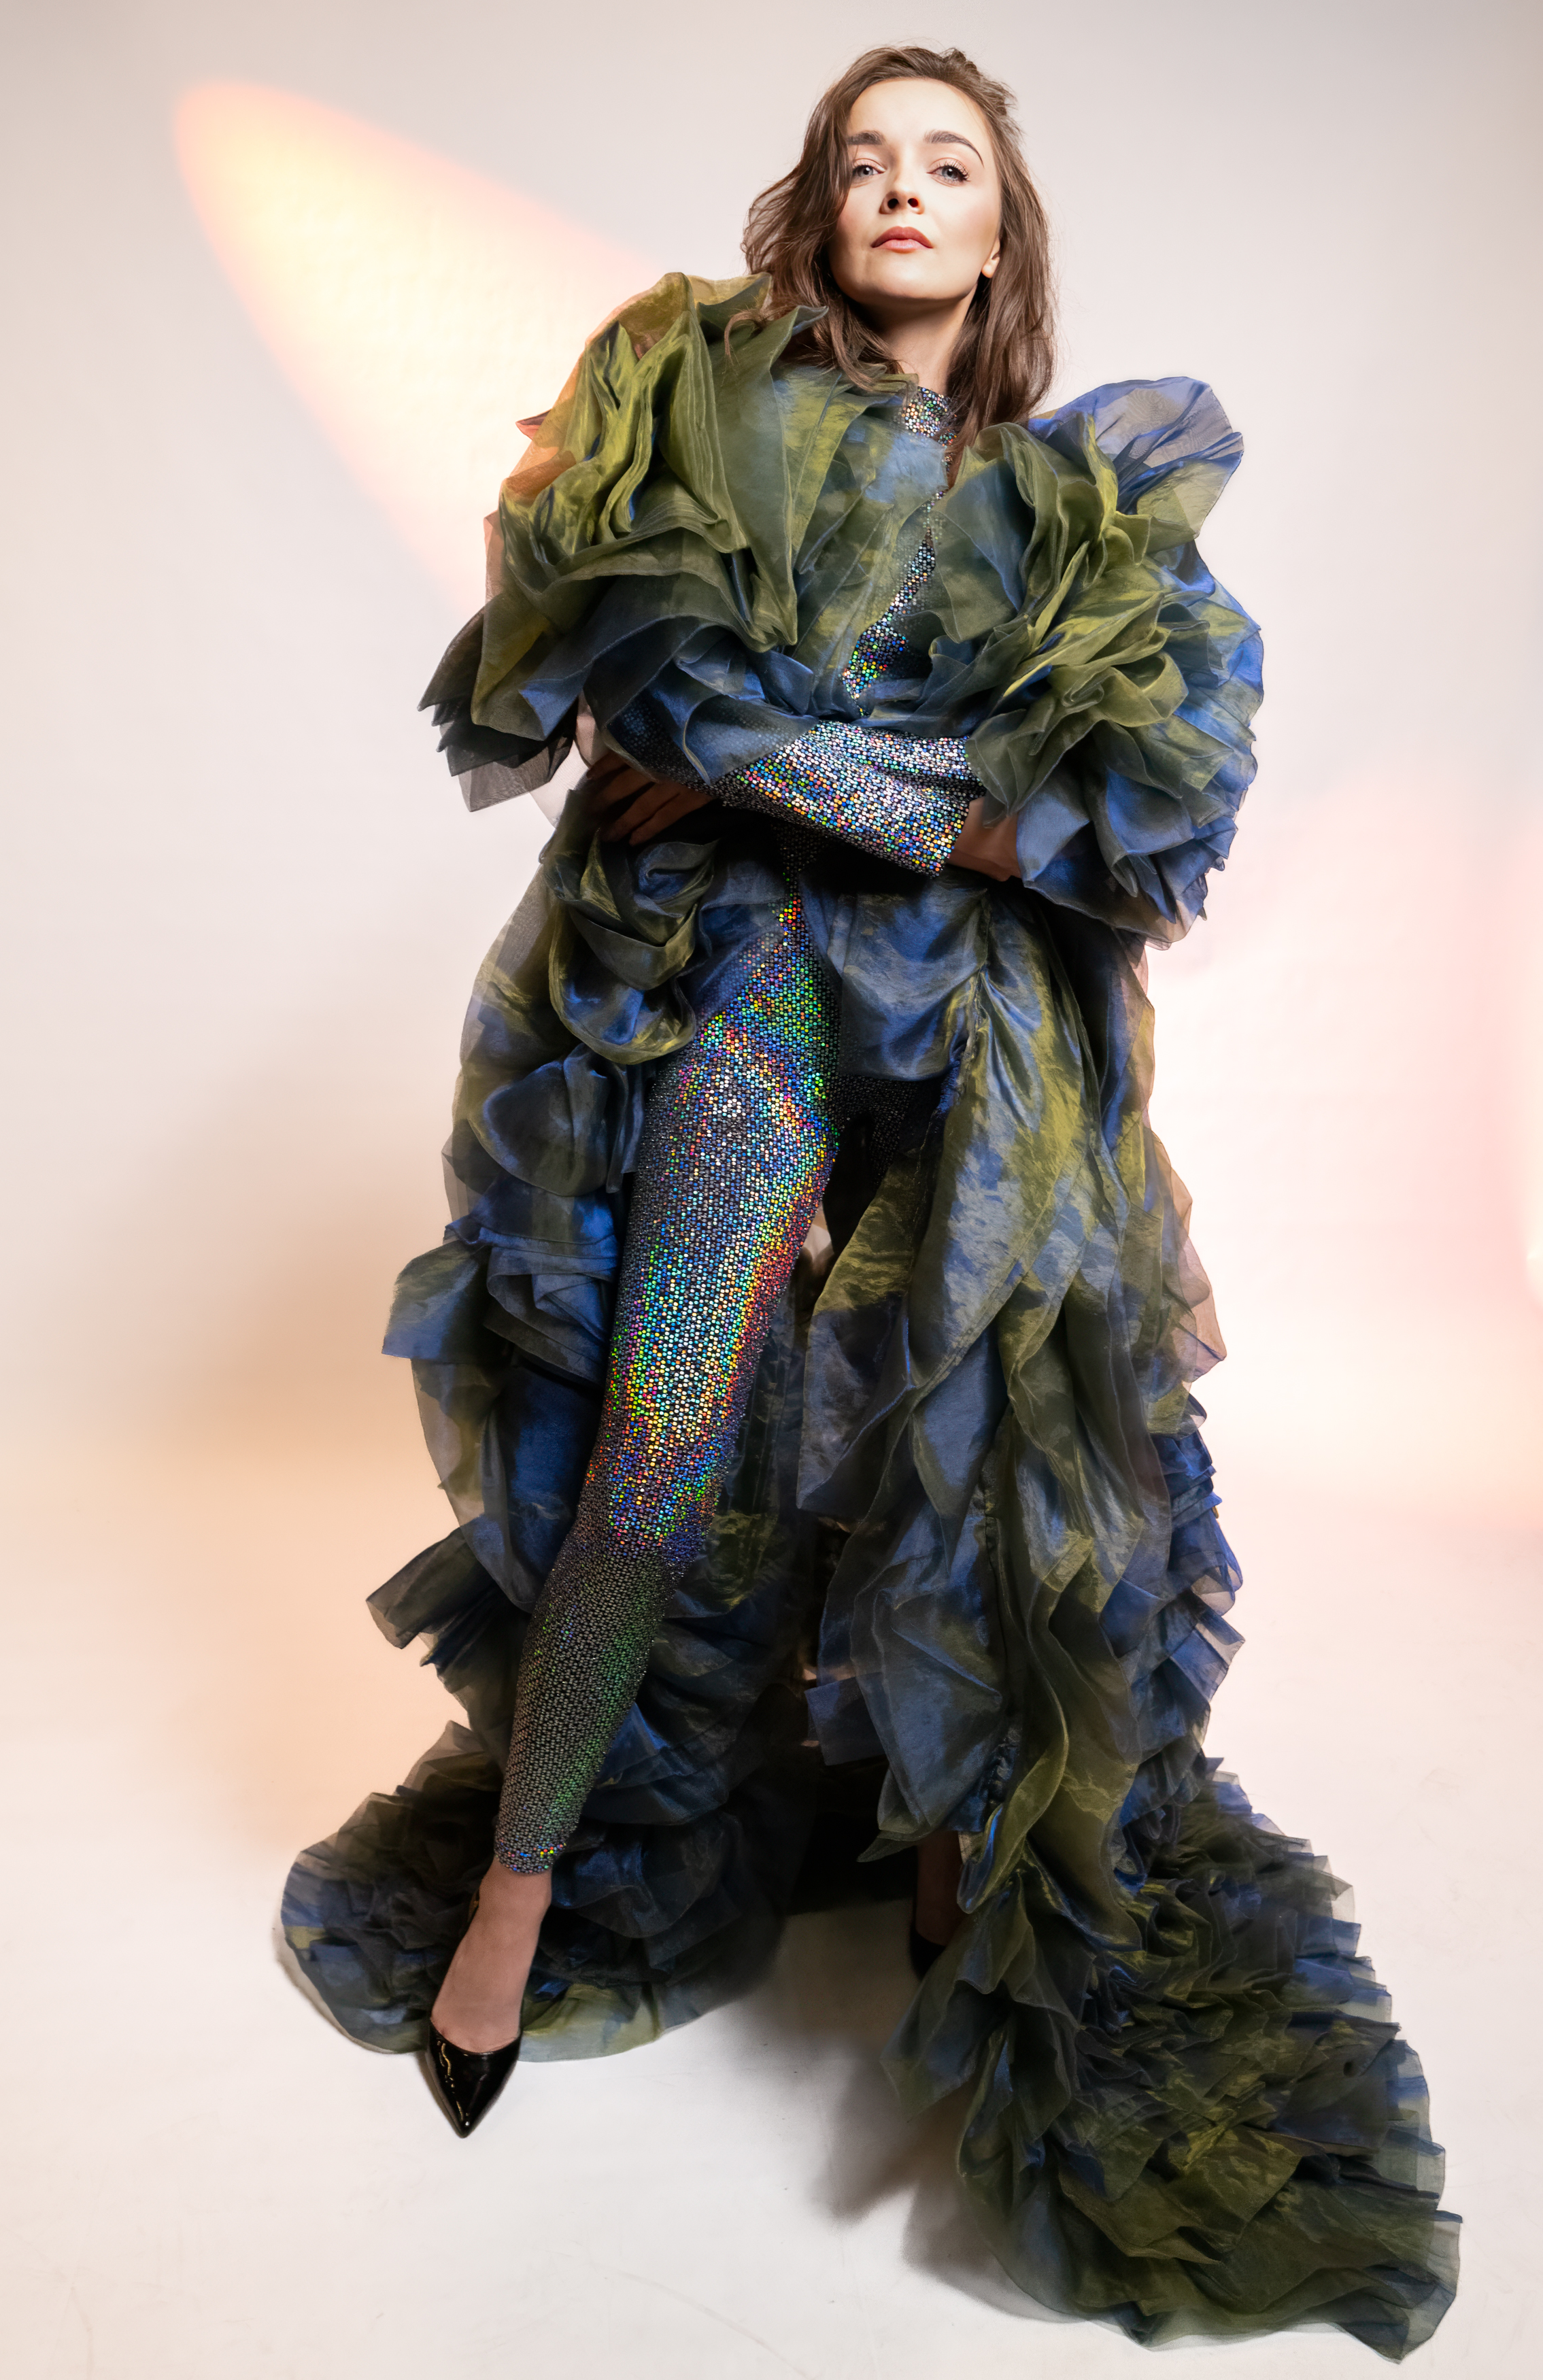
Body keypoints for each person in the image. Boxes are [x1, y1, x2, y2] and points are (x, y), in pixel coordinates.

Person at [284, 45, 1457, 2355]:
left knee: (973, 1463)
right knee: (658, 1447)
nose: (903, 190)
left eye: (949, 164)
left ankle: (945, 1873)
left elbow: (1104, 846)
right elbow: (633, 696)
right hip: (752, 1003)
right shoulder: (703, 409)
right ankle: (519, 1892)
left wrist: (782, 760)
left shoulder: (1074, 510)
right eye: (864, 160)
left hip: (990, 1045)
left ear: (1004, 231)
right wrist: (910, 781)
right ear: (817, 208)